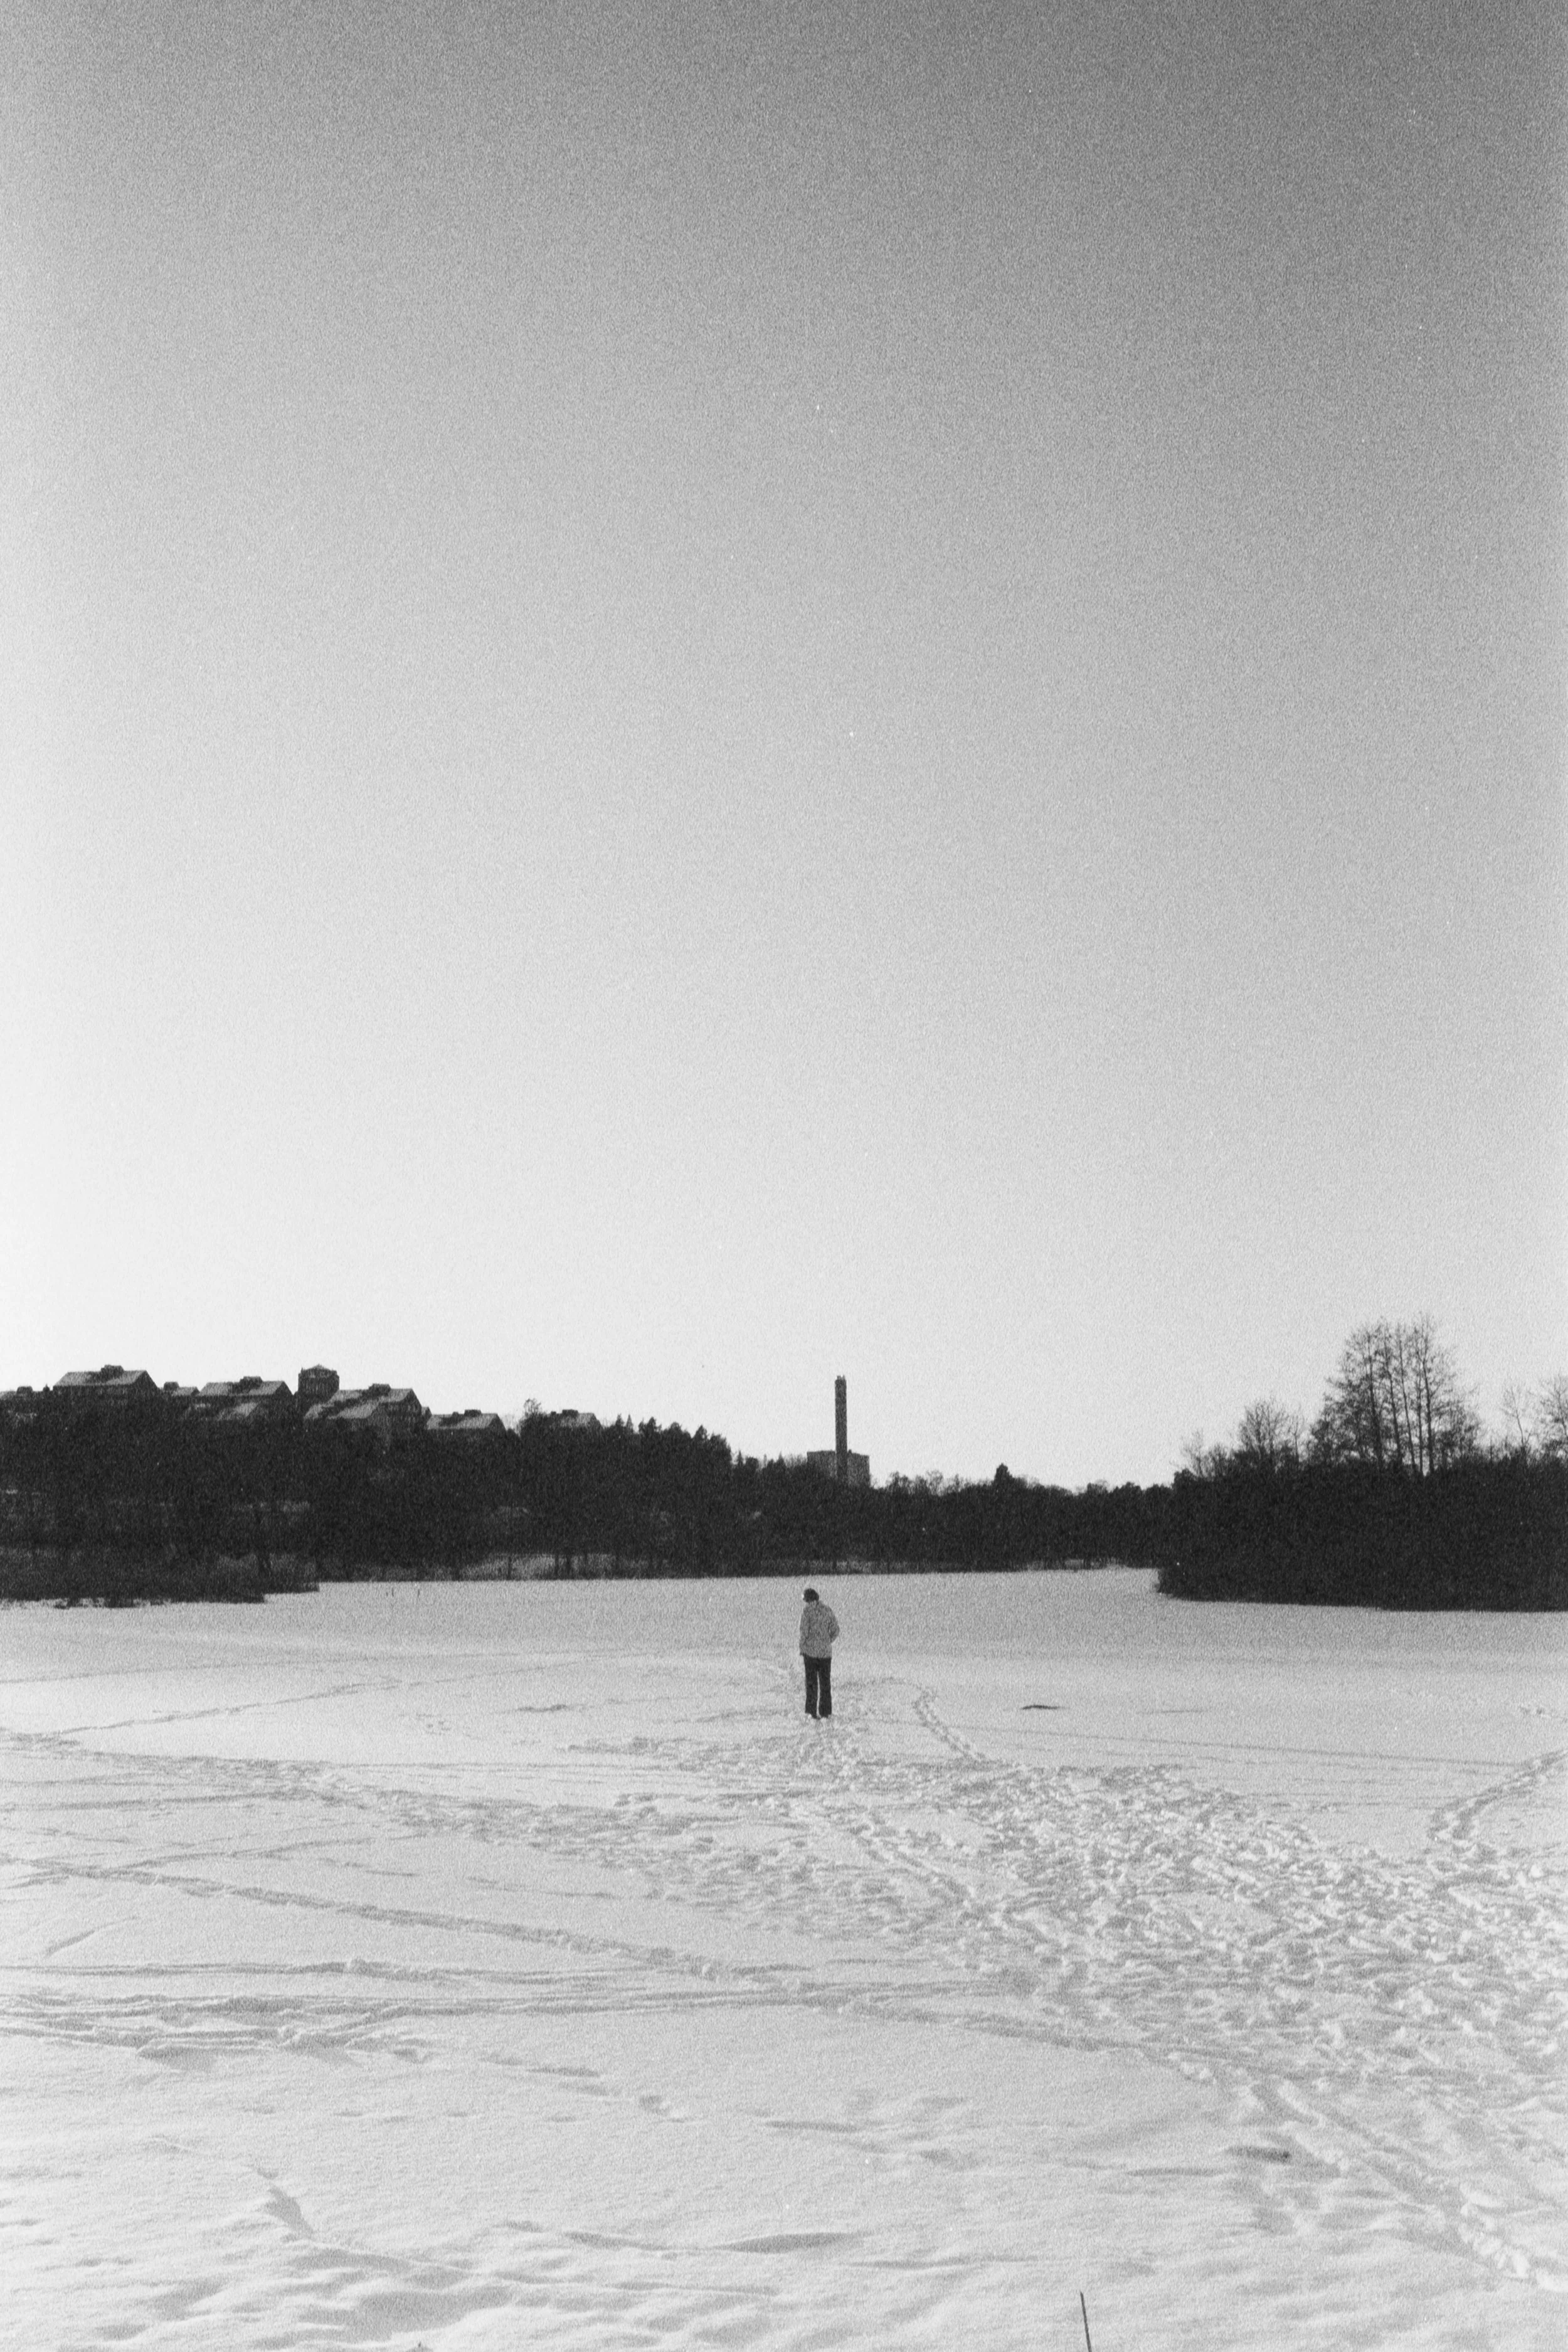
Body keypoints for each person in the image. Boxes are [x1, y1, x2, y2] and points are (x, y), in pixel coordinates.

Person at [798, 1586, 839, 1719]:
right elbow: (836, 1630)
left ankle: (811, 1711)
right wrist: (827, 1641)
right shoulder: (827, 1610)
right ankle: (826, 1711)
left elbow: (804, 1632)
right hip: (826, 1654)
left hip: (810, 1653)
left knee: (811, 1683)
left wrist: (803, 1647)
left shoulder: (807, 1612)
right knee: (825, 1683)